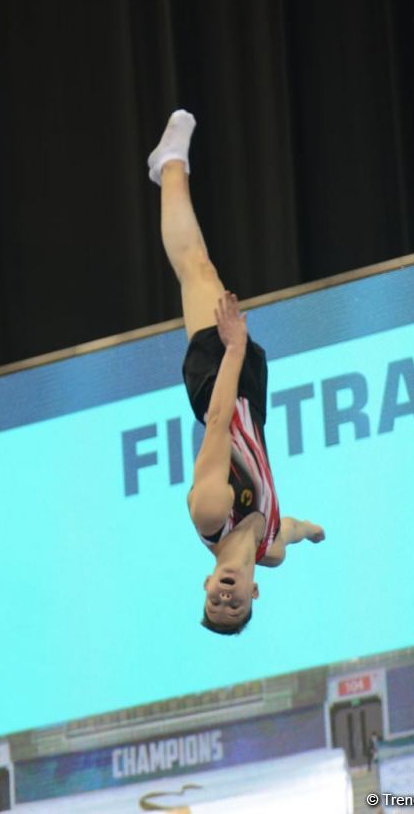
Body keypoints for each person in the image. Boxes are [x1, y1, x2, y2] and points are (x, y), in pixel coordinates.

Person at [148, 110, 325, 635]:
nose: (225, 600)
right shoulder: (270, 550)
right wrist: (311, 530)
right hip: (253, 392)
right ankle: (170, 168)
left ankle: (169, 165)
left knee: (197, 269)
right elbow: (287, 529)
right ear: (253, 592)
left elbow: (220, 422)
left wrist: (231, 350)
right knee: (204, 271)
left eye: (214, 605)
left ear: (207, 586)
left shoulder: (210, 513)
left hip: (218, 385)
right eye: (236, 607)